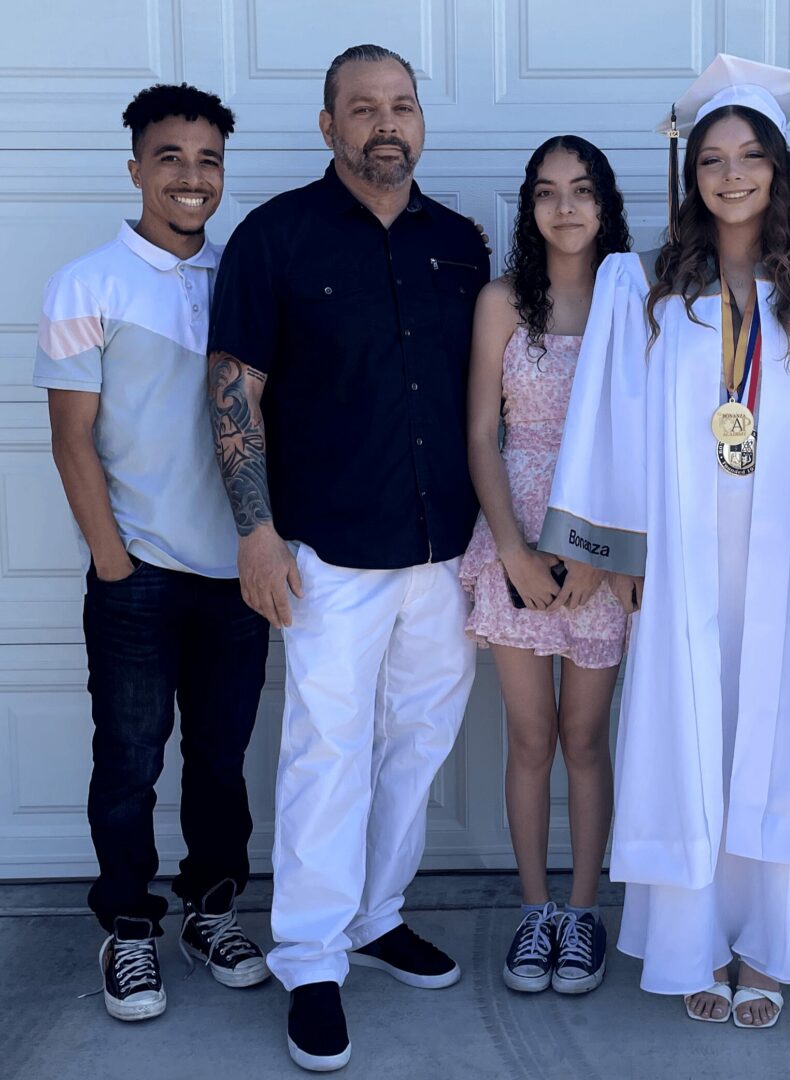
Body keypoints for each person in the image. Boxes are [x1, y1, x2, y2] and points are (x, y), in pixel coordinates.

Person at [540, 55, 790, 1029]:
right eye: (711, 158)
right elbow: (609, 418)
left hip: (778, 556)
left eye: (750, 156)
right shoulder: (640, 285)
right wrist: (622, 549)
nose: (730, 174)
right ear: (691, 173)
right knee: (684, 730)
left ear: (776, 170)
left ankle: (764, 945)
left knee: (769, 733)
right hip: (679, 550)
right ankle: (688, 941)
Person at [207, 44, 490, 1072]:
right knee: (326, 753)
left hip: (445, 548)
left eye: (402, 105)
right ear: (328, 125)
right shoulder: (274, 236)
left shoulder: (460, 243)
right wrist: (255, 530)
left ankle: (376, 915)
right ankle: (311, 958)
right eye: (363, 108)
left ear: (420, 121)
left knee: (418, 741)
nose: (386, 124)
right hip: (328, 551)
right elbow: (233, 388)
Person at [33, 83, 270, 1023]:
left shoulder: (240, 275)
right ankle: (128, 927)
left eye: (208, 159)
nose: (191, 176)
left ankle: (211, 912)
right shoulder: (86, 283)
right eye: (170, 157)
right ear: (135, 167)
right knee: (129, 763)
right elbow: (71, 440)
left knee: (220, 761)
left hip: (237, 573)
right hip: (136, 575)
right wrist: (112, 561)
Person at [461, 135, 630, 995]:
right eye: (547, 191)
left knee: (585, 739)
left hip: (600, 544)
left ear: (606, 204)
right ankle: (535, 913)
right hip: (517, 535)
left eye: (582, 190)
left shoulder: (635, 298)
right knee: (529, 738)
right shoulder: (502, 302)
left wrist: (605, 552)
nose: (565, 207)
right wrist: (514, 553)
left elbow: (645, 439)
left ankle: (583, 913)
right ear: (529, 208)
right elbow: (479, 436)